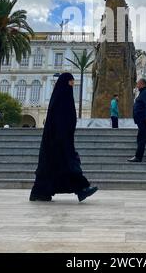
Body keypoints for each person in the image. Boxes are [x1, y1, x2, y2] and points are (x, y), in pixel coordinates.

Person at [29, 73, 98, 202]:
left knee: (57, 166)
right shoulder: (62, 97)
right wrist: (62, 137)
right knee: (69, 163)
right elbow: (60, 119)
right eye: (71, 81)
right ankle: (82, 189)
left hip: (61, 139)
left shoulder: (61, 95)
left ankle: (41, 193)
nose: (72, 83)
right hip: (59, 139)